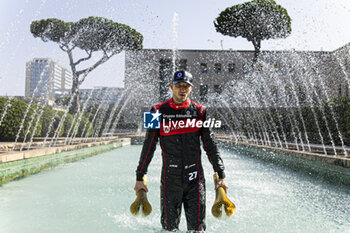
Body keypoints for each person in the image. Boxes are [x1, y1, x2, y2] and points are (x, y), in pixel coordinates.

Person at [134, 70, 227, 232]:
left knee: (197, 229)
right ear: (171, 86)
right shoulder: (155, 111)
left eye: (186, 86)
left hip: (195, 180)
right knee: (169, 228)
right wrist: (140, 177)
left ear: (191, 88)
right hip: (170, 180)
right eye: (178, 86)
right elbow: (148, 146)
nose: (182, 89)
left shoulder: (201, 112)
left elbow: (210, 145)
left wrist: (221, 175)